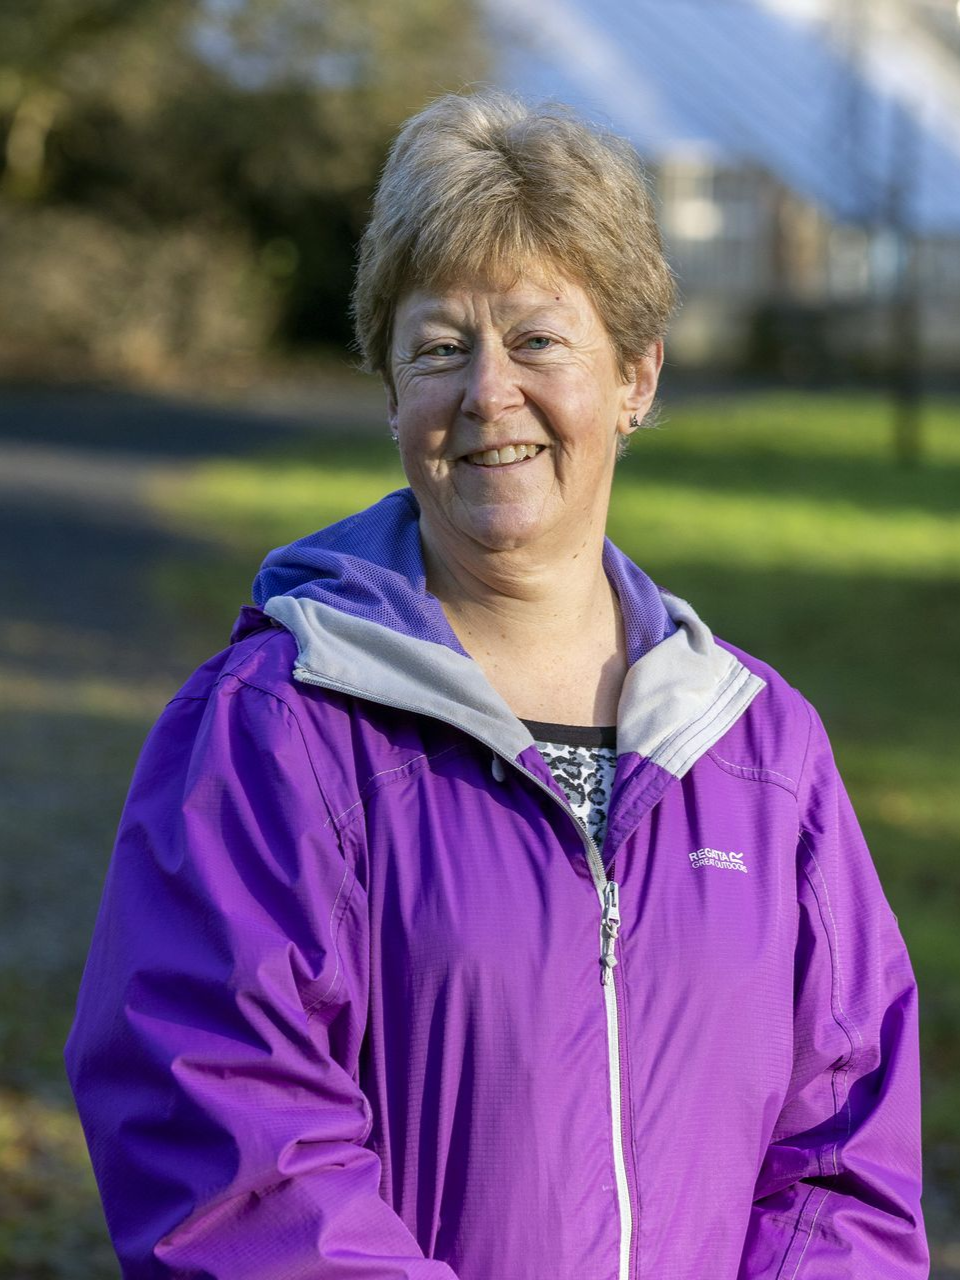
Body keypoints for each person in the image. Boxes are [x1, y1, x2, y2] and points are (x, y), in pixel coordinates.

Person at [65, 90, 928, 1279]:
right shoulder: (275, 728)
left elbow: (843, 1157)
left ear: (635, 376)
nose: (487, 391)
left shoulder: (766, 755)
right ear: (390, 395)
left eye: (536, 339)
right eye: (438, 347)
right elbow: (228, 1148)